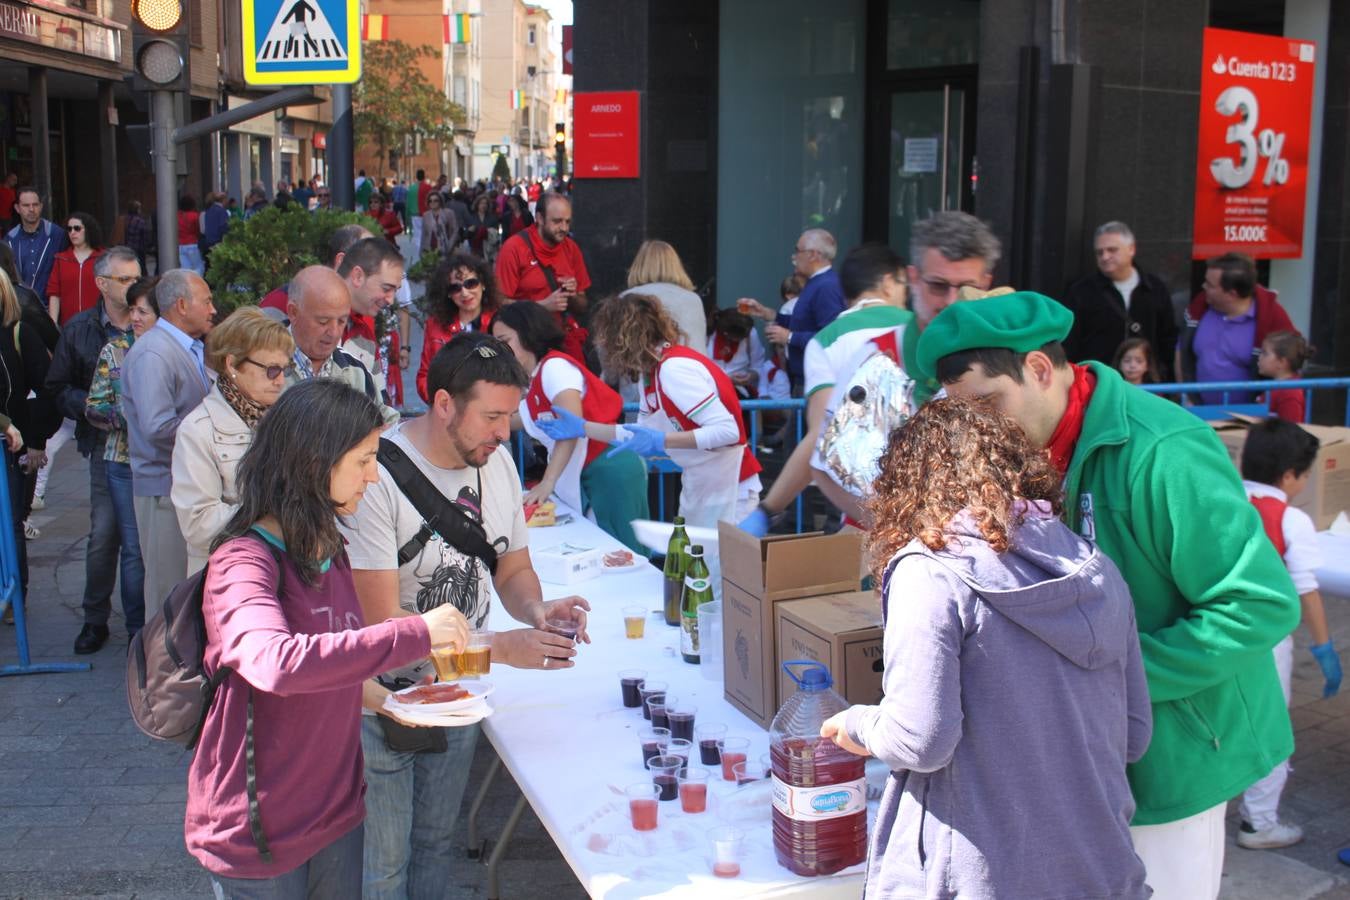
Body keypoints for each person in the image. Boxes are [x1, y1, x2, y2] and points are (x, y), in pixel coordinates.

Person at [914, 291, 1301, 899]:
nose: (979, 431)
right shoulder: (1010, 447)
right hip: (1066, 757)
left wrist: (1106, 680)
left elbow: (1259, 604)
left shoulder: (1163, 449)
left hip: (1176, 756)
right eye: (964, 415)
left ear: (1040, 369)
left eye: (989, 404)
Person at [820, 397, 1151, 899]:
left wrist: (858, 723)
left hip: (981, 876)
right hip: (1100, 870)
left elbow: (920, 741)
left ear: (906, 488)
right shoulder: (1097, 566)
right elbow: (1133, 736)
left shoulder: (928, 571)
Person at [187, 378, 472, 897]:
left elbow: (333, 660)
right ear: (314, 461)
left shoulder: (330, 545)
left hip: (336, 812)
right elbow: (276, 663)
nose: (375, 475)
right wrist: (414, 633)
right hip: (260, 830)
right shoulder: (241, 562)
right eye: (363, 460)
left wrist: (392, 702)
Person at [342, 333, 590, 899]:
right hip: (380, 700)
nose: (505, 432)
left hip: (458, 692)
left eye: (510, 416)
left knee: (435, 845)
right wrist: (501, 647)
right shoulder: (377, 472)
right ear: (445, 403)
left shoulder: (496, 461)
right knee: (382, 865)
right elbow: (382, 622)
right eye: (493, 416)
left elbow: (512, 567)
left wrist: (537, 609)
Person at [540, 294, 761, 528]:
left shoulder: (674, 369)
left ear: (623, 339)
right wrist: (583, 427)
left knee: (719, 564)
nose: (601, 345)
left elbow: (729, 432)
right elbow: (639, 435)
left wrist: (664, 440)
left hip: (731, 488)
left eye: (606, 336)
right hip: (704, 485)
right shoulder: (651, 373)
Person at [740, 243, 913, 535]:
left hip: (868, 507)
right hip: (941, 504)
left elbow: (821, 437)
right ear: (888, 282)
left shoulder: (827, 341)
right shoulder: (923, 330)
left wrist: (768, 508)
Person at [1236, 419, 1341, 850]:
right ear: (1290, 476)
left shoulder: (1220, 499)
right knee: (1270, 729)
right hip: (1266, 642)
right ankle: (1258, 824)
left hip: (1211, 633)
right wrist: (1324, 647)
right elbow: (1308, 593)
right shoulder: (1291, 520)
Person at [491, 301, 648, 552]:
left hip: (610, 468)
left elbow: (569, 429)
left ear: (528, 334)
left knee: (624, 553)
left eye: (504, 340)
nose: (499, 350)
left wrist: (547, 482)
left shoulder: (555, 368)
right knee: (600, 550)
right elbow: (513, 419)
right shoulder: (534, 381)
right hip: (591, 470)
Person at [45, 245, 141, 654]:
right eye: (125, 279)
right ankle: (95, 619)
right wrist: (91, 407)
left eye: (138, 277)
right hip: (105, 447)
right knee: (105, 535)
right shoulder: (79, 328)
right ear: (102, 284)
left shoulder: (149, 325)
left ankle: (141, 625)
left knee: (140, 542)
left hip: (151, 451)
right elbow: (56, 387)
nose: (135, 286)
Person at [172, 308, 295, 575]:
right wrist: (274, 513)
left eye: (285, 369)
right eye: (272, 370)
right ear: (231, 364)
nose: (281, 380)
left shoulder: (286, 418)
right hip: (227, 578)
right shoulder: (198, 429)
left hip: (284, 573)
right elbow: (197, 524)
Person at [122, 269, 216, 601]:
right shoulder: (154, 353)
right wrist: (214, 434)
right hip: (164, 491)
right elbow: (156, 426)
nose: (212, 309)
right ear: (181, 305)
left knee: (184, 593)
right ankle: (158, 656)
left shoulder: (189, 347)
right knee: (169, 597)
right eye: (206, 301)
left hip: (181, 487)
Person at [84, 277, 159, 639]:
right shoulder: (115, 351)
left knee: (161, 550)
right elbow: (93, 407)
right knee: (134, 550)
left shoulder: (183, 351)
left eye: (143, 311)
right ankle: (135, 633)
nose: (135, 317)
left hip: (168, 464)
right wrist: (127, 418)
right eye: (133, 310)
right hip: (124, 463)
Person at [0, 267, 59, 599]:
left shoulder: (19, 333)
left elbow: (49, 389)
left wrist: (36, 441)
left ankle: (14, 594)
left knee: (9, 525)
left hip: (12, 450)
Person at [1062, 221, 1178, 379]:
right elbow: (1070, 342)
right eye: (1099, 252)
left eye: (1112, 250)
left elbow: (1167, 338)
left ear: (1131, 249)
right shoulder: (1081, 292)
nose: (1105, 257)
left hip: (1146, 386)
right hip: (1098, 383)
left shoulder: (1155, 288)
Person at [281, 265, 392, 420]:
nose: (333, 332)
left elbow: (389, 424)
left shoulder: (357, 372)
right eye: (323, 321)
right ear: (293, 312)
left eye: (341, 321)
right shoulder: (261, 364)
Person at [1186, 252, 1296, 404]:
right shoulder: (1199, 308)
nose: (1203, 287)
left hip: (1248, 417)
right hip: (1197, 412)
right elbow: (1182, 350)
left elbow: (1288, 369)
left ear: (1232, 294)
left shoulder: (1272, 318)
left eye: (1210, 285)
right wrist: (1187, 397)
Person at [495, 191, 590, 365]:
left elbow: (583, 305)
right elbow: (498, 303)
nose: (564, 228)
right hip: (526, 345)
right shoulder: (514, 248)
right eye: (557, 221)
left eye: (567, 222)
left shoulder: (571, 248)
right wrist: (542, 306)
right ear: (539, 218)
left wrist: (573, 295)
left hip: (560, 342)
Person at [416, 253, 496, 403]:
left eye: (471, 283)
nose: (464, 293)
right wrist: (444, 404)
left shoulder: (499, 322)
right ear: (447, 294)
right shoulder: (435, 325)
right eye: (455, 288)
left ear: (483, 284)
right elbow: (425, 376)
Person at [336, 237, 405, 401]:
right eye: (386, 288)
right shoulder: (294, 308)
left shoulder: (365, 328)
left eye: (395, 291)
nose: (390, 300)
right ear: (358, 276)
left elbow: (379, 400)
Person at [620, 240, 706, 349]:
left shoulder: (626, 299)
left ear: (638, 265)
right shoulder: (693, 299)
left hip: (644, 364)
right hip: (690, 364)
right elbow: (698, 346)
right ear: (676, 266)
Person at [4, 186, 68, 298]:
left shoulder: (57, 235)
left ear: (41, 206)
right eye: (26, 205)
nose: (31, 209)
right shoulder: (9, 239)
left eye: (35, 205)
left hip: (50, 308)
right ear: (17, 208)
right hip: (21, 308)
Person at [47, 212, 105, 326]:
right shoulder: (61, 259)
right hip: (69, 325)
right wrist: (53, 324)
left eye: (77, 228)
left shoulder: (103, 258)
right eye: (69, 229)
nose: (72, 232)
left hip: (98, 324)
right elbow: (54, 294)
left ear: (88, 230)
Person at [707, 308, 765, 400]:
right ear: (726, 333)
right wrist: (727, 379)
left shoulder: (750, 333)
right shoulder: (708, 334)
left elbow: (758, 366)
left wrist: (750, 376)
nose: (743, 339)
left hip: (740, 392)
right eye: (740, 338)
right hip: (710, 389)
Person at [1257, 331, 1313, 423]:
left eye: (1265, 353)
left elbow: (1290, 431)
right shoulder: (1277, 387)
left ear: (1281, 362)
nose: (1259, 357)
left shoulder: (1290, 393)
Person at [419, 191, 457, 257]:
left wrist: (450, 245)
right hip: (430, 248)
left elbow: (455, 230)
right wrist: (421, 251)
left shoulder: (449, 213)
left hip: (446, 248)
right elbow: (424, 234)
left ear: (440, 201)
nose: (432, 203)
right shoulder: (426, 215)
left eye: (435, 200)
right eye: (430, 201)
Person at [178, 195, 205, 276]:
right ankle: (197, 284)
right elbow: (198, 230)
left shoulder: (177, 215)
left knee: (185, 269)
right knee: (198, 267)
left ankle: (187, 285)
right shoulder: (195, 215)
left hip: (180, 245)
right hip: (192, 243)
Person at [200, 192, 230, 261]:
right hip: (218, 243)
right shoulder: (222, 211)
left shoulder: (208, 211)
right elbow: (224, 227)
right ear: (224, 200)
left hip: (208, 243)